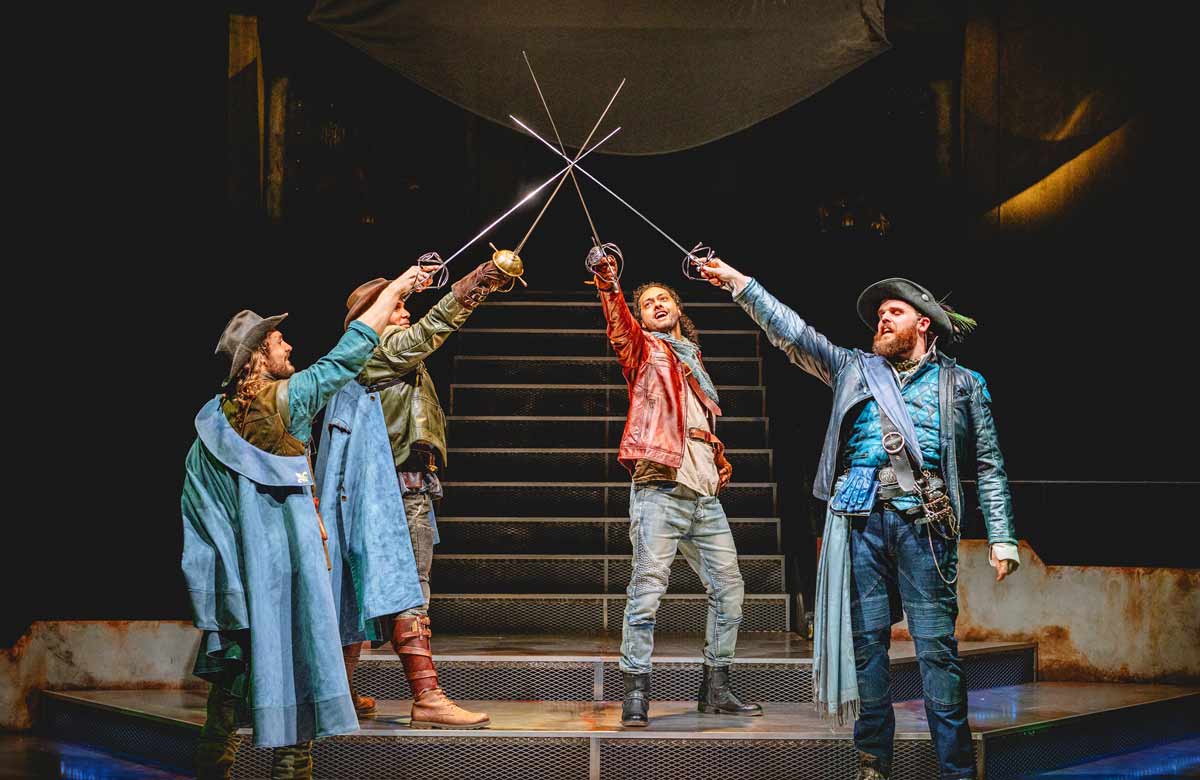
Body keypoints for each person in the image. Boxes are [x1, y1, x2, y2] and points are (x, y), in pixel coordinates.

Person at [701, 260, 1017, 780]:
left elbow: (988, 464)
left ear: (925, 324)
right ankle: (872, 763)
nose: (882, 320)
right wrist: (740, 284)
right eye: (879, 315)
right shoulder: (854, 367)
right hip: (859, 522)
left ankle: (956, 770)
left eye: (895, 312)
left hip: (925, 525)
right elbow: (793, 333)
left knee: (937, 650)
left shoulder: (963, 384)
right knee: (867, 646)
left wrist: (1001, 537)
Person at [181, 266, 428, 779]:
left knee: (232, 685)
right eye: (278, 341)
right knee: (298, 668)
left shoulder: (211, 424)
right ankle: (291, 770)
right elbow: (349, 353)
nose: (289, 347)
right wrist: (400, 287)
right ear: (256, 358)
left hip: (241, 575)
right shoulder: (286, 402)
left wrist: (223, 578)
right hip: (285, 571)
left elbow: (199, 512)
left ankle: (212, 766)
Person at [318, 257, 518, 729]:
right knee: (411, 591)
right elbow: (431, 329)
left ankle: (341, 691)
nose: (404, 313)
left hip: (403, 487)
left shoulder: (392, 361)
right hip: (393, 492)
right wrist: (479, 281)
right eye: (395, 307)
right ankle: (426, 696)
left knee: (357, 587)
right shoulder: (371, 352)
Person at [591, 254, 761, 728]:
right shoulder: (644, 352)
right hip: (660, 488)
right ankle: (636, 691)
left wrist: (717, 460)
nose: (656, 305)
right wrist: (609, 283)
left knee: (730, 590)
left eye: (663, 298)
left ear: (679, 311)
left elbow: (698, 423)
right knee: (647, 590)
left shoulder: (692, 360)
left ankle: (716, 688)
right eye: (647, 303)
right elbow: (619, 326)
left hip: (703, 493)